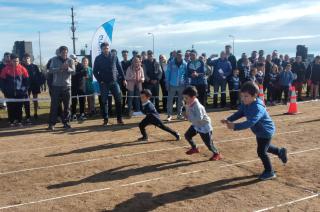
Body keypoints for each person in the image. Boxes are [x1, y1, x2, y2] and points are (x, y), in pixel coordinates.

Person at [222, 81, 287, 180]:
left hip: (266, 131)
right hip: (258, 131)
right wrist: (229, 119)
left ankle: (269, 171)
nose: (243, 98)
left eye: (246, 96)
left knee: (261, 151)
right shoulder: (246, 103)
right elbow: (240, 113)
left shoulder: (257, 108)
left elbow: (251, 122)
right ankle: (280, 151)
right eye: (242, 96)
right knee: (265, 147)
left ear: (254, 95)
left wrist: (235, 126)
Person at [182, 86, 222, 161]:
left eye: (186, 98)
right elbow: (189, 114)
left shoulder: (197, 106)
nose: (185, 99)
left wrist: (188, 118)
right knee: (187, 135)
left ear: (193, 97)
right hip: (196, 124)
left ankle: (217, 153)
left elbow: (199, 118)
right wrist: (186, 113)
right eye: (184, 97)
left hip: (204, 126)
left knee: (208, 143)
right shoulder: (189, 102)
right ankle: (194, 148)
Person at [93, 42, 126, 126]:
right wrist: (100, 80)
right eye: (104, 48)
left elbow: (119, 68)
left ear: (109, 48)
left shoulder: (114, 56)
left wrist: (124, 79)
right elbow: (95, 71)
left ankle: (119, 119)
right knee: (104, 102)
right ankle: (105, 120)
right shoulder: (98, 58)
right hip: (104, 83)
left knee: (118, 100)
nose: (106, 49)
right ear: (101, 49)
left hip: (114, 82)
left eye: (107, 48)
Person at [48, 46, 75, 130]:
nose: (65, 54)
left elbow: (74, 72)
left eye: (66, 52)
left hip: (67, 86)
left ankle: (66, 123)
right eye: (63, 52)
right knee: (54, 105)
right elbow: (51, 70)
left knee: (67, 106)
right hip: (56, 86)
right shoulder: (54, 59)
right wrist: (60, 68)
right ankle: (52, 124)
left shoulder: (71, 60)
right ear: (59, 53)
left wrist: (68, 68)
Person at [0, 54, 29, 127]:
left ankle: (19, 121)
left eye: (17, 61)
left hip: (20, 93)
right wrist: (5, 90)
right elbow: (2, 82)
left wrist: (24, 90)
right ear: (11, 61)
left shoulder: (23, 69)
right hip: (9, 93)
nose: (16, 62)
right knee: (10, 107)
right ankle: (11, 121)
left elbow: (27, 81)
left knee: (19, 107)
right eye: (14, 61)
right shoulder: (5, 69)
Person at [22, 53, 44, 122]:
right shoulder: (21, 66)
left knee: (35, 100)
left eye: (28, 58)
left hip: (35, 85)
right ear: (23, 59)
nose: (26, 59)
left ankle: (35, 113)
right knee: (26, 101)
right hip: (26, 86)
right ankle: (28, 115)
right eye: (25, 58)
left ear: (30, 59)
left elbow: (40, 75)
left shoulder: (35, 66)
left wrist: (40, 84)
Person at [166, 50, 187, 121]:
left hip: (181, 85)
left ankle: (179, 115)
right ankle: (169, 115)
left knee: (180, 101)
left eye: (181, 55)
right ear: (176, 55)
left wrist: (185, 83)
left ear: (182, 56)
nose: (179, 56)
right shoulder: (171, 63)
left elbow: (186, 74)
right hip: (172, 84)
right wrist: (167, 83)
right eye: (178, 55)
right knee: (170, 100)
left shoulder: (185, 64)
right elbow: (167, 73)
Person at [70, 54, 86, 121]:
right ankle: (73, 114)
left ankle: (82, 113)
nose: (74, 60)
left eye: (74, 58)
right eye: (72, 59)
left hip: (81, 86)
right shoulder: (69, 66)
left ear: (76, 58)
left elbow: (84, 73)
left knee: (82, 100)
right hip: (72, 86)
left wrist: (75, 73)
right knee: (74, 101)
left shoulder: (81, 65)